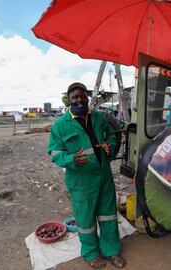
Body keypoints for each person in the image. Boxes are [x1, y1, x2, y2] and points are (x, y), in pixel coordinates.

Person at [47, 82, 126, 269]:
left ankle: (111, 251)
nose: (80, 100)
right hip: (81, 181)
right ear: (69, 100)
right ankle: (91, 254)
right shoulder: (60, 126)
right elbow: (54, 153)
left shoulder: (99, 117)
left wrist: (109, 146)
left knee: (108, 215)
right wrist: (71, 160)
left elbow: (112, 136)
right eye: (75, 97)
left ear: (87, 98)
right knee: (86, 219)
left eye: (83, 96)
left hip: (104, 175)